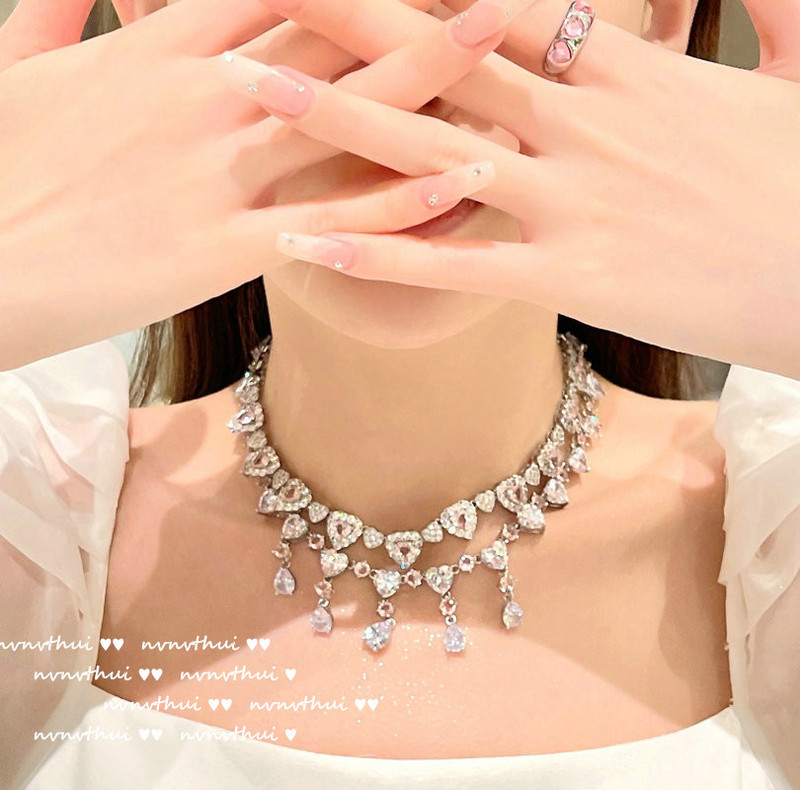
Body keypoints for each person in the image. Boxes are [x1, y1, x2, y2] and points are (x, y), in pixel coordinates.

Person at [0, 1, 797, 789]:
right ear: (153, 15)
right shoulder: (31, 516)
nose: (411, 71)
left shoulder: (778, 526)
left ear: (662, 21)